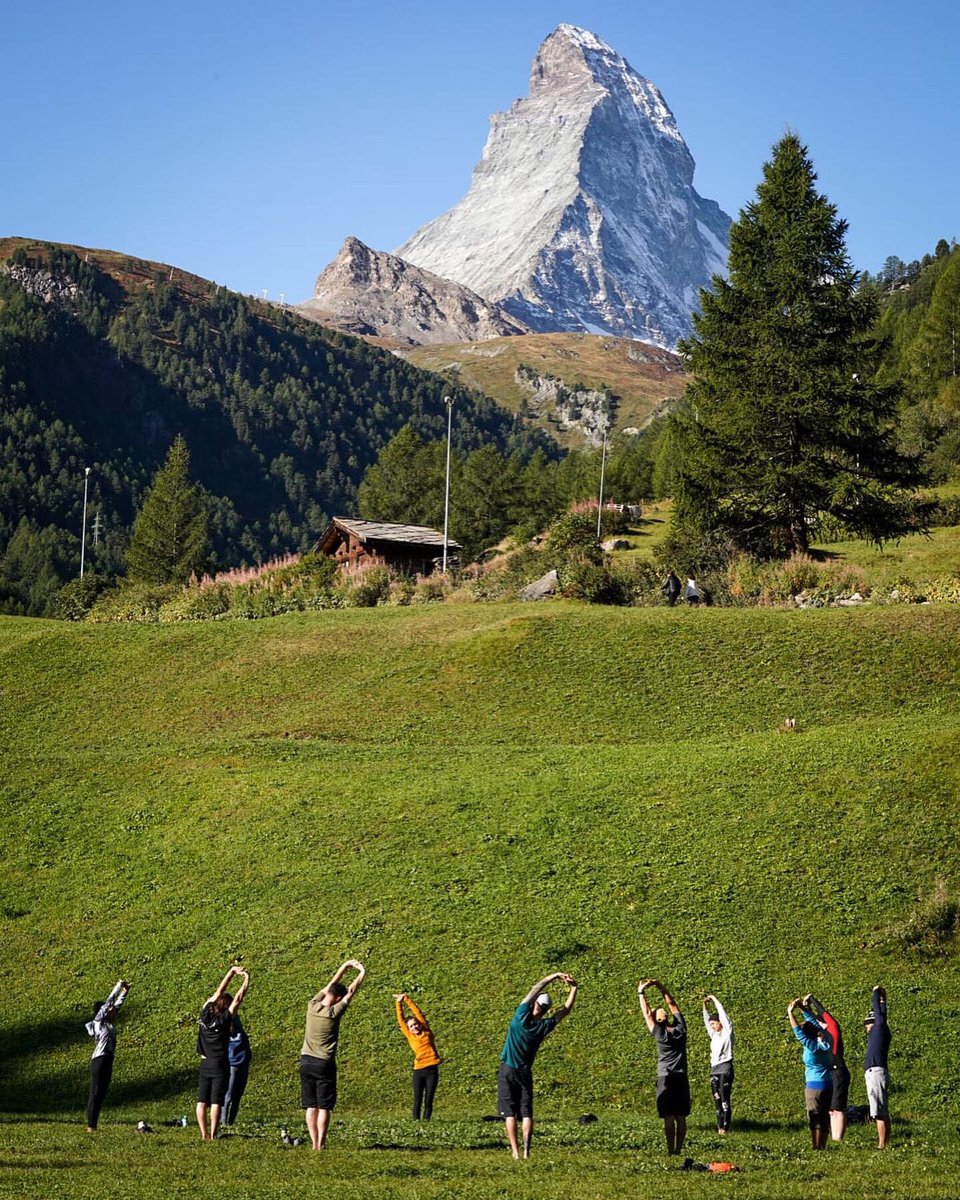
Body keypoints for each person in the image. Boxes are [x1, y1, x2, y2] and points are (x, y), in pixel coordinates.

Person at [498, 971, 578, 1159]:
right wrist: (574, 988)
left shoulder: (520, 1017)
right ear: (546, 1009)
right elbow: (564, 1011)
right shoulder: (543, 1027)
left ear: (535, 1004)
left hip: (508, 1068)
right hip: (525, 1072)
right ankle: (527, 1152)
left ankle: (515, 1152)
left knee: (509, 1113)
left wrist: (554, 976)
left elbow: (536, 988)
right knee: (526, 1112)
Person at [300, 959, 365, 1150]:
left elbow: (329, 986)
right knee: (324, 1106)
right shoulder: (334, 1013)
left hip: (305, 1060)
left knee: (311, 1105)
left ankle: (313, 1143)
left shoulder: (312, 1006)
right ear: (338, 998)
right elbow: (351, 991)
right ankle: (321, 1143)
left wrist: (343, 968)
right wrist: (361, 973)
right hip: (324, 1063)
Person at [196, 965, 250, 1141]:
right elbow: (238, 999)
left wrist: (231, 972)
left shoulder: (205, 1014)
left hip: (205, 1062)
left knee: (201, 1101)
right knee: (216, 1102)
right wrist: (246, 979)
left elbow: (219, 990)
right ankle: (213, 1134)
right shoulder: (225, 1019)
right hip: (220, 1063)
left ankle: (204, 1134)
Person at [639, 979, 690, 1155]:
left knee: (669, 1116)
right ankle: (678, 1149)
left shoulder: (659, 1033)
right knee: (681, 1117)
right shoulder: (681, 1029)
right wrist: (660, 986)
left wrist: (641, 992)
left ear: (657, 1020)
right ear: (667, 1017)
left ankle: (671, 1151)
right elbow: (672, 1003)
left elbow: (646, 1013)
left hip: (665, 1077)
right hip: (681, 1077)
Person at [84, 979, 130, 1132]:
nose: (112, 1009)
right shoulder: (99, 1021)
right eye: (108, 1008)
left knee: (102, 1093)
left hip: (109, 1059)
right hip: (99, 1059)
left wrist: (125, 992)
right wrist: (118, 986)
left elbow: (117, 1006)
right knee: (95, 1092)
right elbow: (109, 1003)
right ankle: (91, 1126)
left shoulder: (109, 1023)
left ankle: (94, 1123)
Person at [787, 996, 833, 1149]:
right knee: (825, 1116)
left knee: (814, 1117)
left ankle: (816, 1146)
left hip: (813, 1086)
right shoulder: (826, 1039)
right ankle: (823, 1146)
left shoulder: (811, 1047)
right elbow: (814, 1025)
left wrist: (790, 1013)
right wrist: (802, 1008)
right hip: (828, 1084)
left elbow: (797, 1032)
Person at [804, 994, 849, 1142]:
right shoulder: (823, 1036)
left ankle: (838, 1139)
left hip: (838, 1070)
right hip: (831, 1072)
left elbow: (824, 1015)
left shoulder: (832, 1030)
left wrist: (812, 1001)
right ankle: (833, 1138)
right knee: (831, 1110)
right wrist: (806, 1008)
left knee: (837, 1108)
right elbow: (812, 1023)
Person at [394, 993, 441, 1120]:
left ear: (420, 1024)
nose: (414, 1027)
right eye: (411, 1026)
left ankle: (426, 1120)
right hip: (418, 1070)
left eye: (416, 1024)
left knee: (429, 1099)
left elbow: (418, 1013)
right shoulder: (410, 1036)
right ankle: (415, 1121)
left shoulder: (427, 1032)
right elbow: (401, 1020)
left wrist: (407, 999)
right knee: (417, 1099)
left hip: (432, 1070)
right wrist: (398, 1003)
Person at [864, 985, 892, 1149]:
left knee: (879, 1111)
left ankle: (882, 1145)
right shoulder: (881, 1031)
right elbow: (882, 1013)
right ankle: (883, 1143)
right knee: (880, 1109)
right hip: (876, 1071)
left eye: (867, 1024)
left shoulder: (879, 1028)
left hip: (876, 1071)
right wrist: (883, 1000)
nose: (866, 1028)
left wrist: (876, 992)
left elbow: (880, 1015)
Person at [702, 993, 734, 1135]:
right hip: (714, 1070)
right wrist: (704, 1007)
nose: (712, 1026)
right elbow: (705, 1021)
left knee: (724, 1099)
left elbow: (722, 1013)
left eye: (714, 1023)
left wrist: (714, 999)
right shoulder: (714, 1035)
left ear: (720, 1022)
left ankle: (725, 1128)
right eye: (711, 1025)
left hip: (725, 1068)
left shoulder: (727, 1033)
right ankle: (719, 1127)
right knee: (717, 1099)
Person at [222, 1012, 253, 1126]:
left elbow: (235, 1016)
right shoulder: (224, 1036)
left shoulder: (240, 1032)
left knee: (238, 1096)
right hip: (232, 1066)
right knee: (228, 1096)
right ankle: (224, 1122)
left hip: (244, 1065)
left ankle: (231, 1122)